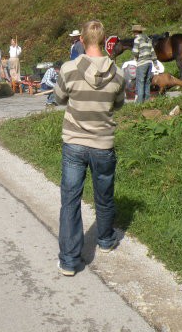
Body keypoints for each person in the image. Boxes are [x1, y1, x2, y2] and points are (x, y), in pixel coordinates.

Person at [53, 20, 126, 277]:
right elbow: (118, 104)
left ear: (81, 41)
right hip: (103, 144)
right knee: (104, 194)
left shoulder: (69, 68)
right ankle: (105, 241)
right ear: (105, 40)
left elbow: (60, 98)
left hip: (74, 143)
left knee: (70, 200)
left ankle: (70, 261)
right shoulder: (118, 73)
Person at [131, 24, 158, 103]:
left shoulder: (137, 39)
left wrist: (135, 57)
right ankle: (147, 100)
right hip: (149, 63)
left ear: (135, 32)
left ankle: (139, 101)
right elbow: (152, 52)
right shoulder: (148, 39)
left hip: (142, 63)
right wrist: (155, 63)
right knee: (147, 81)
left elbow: (135, 52)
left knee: (140, 82)